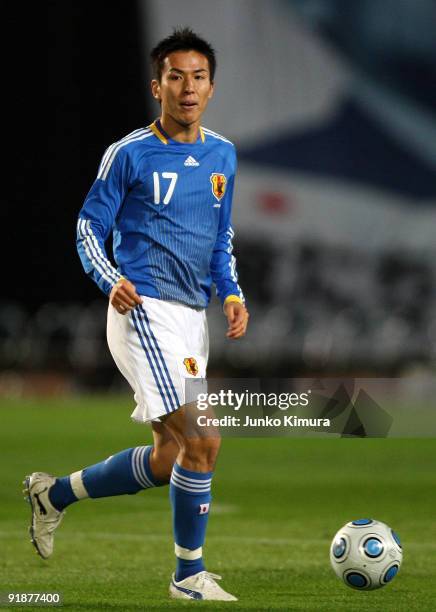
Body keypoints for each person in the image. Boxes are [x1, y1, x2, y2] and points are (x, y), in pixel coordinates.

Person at [24, 27, 249, 602]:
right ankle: (187, 576)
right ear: (158, 86)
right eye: (177, 77)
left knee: (169, 456)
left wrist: (230, 292)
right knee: (204, 442)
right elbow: (87, 227)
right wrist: (110, 279)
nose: (189, 87)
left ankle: (53, 495)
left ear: (212, 87)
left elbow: (220, 238)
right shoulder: (128, 154)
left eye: (198, 77)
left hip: (191, 318)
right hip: (143, 309)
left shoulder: (222, 153)